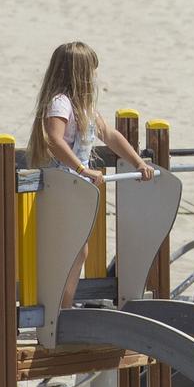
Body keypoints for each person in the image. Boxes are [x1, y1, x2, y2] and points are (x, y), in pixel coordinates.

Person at [26, 42, 156, 310]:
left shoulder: (84, 108)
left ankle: (65, 306)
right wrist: (82, 168)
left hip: (79, 188)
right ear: (80, 73)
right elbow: (54, 140)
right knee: (71, 248)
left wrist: (137, 162)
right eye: (92, 71)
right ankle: (61, 308)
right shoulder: (60, 103)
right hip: (63, 184)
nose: (96, 77)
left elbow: (110, 136)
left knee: (78, 248)